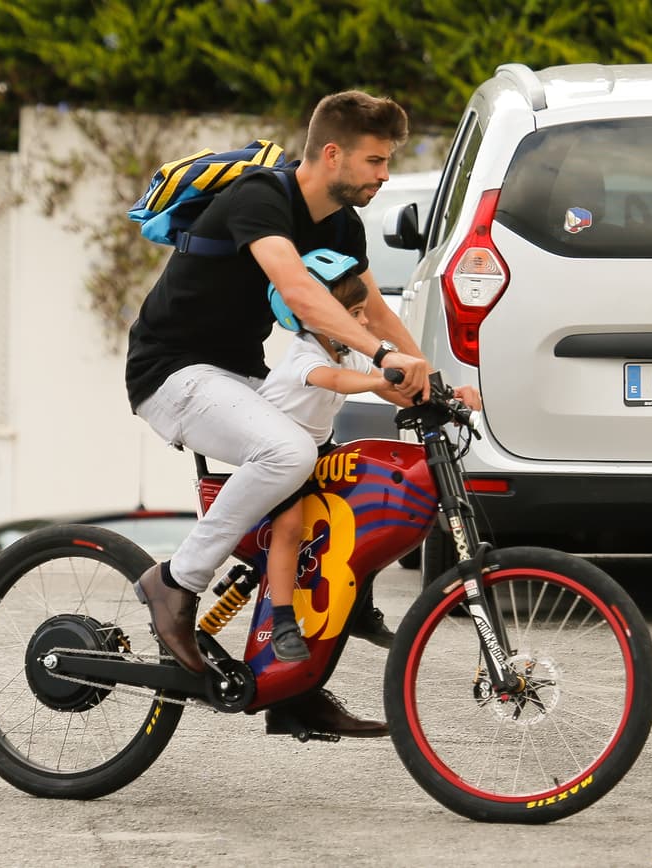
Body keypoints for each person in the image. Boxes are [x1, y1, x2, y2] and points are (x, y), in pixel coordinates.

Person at [125, 90, 478, 737]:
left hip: (240, 376)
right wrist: (380, 358)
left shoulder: (341, 225)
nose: (385, 174)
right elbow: (298, 292)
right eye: (375, 160)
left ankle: (290, 686)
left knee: (327, 501)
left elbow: (372, 309)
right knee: (287, 453)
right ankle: (175, 582)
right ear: (333, 152)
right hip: (172, 370)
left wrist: (428, 376)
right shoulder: (263, 199)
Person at [255, 254, 417, 664]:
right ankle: (283, 622)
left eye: (362, 313)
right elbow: (338, 380)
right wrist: (384, 374)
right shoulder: (306, 354)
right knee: (290, 528)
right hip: (278, 454)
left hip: (317, 450)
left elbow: (390, 390)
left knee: (364, 520)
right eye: (355, 314)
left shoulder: (345, 351)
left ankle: (359, 610)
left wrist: (435, 394)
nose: (363, 324)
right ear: (318, 317)